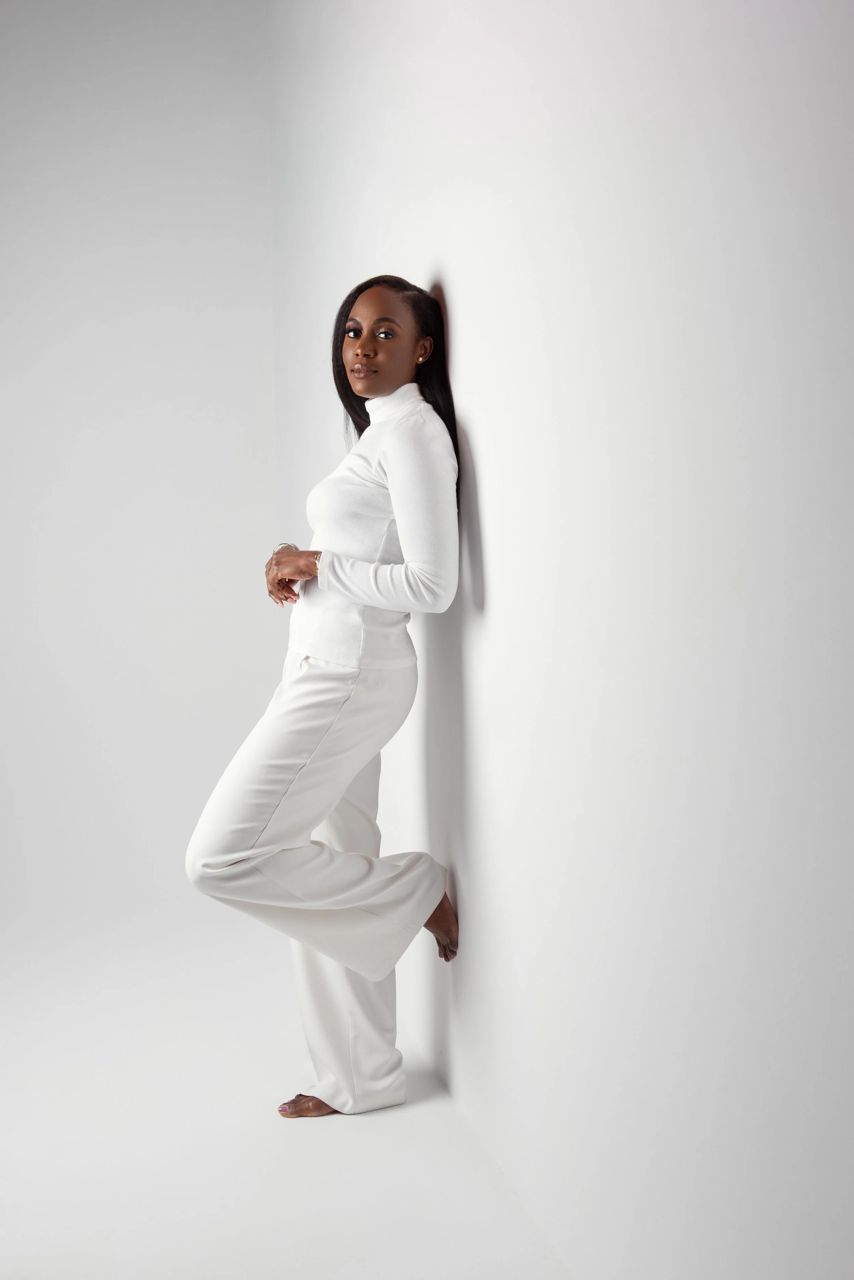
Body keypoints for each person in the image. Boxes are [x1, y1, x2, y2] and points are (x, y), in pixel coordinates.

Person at [184, 274, 460, 1119]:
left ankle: (416, 890)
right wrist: (300, 564)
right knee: (330, 864)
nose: (362, 348)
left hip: (351, 678)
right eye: (351, 332)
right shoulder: (378, 435)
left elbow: (433, 584)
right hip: (324, 664)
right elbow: (356, 551)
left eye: (385, 332)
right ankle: (362, 1077)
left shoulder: (413, 433)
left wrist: (321, 567)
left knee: (221, 860)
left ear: (422, 348)